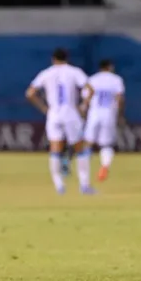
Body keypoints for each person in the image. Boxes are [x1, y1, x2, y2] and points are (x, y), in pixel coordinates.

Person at [25, 48, 95, 195]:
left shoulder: (46, 73)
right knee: (80, 149)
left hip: (54, 114)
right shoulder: (74, 71)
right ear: (67, 58)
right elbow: (90, 89)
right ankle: (84, 185)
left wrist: (44, 108)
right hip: (70, 113)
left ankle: (59, 186)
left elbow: (30, 93)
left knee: (55, 150)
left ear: (53, 59)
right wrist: (83, 105)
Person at [83, 60, 125, 181]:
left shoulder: (93, 79)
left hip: (94, 113)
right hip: (109, 113)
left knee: (88, 142)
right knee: (106, 144)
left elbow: (87, 97)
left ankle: (84, 168)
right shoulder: (116, 79)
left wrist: (84, 111)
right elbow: (119, 98)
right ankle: (104, 166)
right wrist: (120, 114)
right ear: (110, 67)